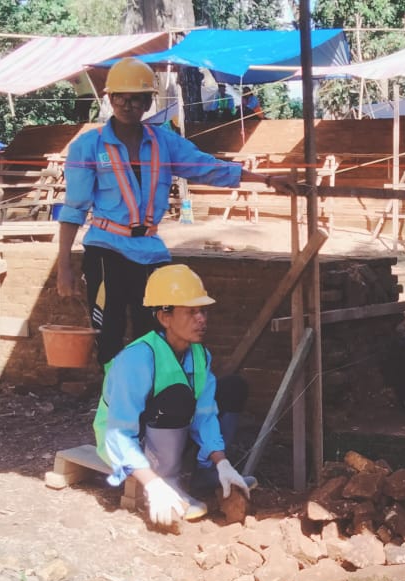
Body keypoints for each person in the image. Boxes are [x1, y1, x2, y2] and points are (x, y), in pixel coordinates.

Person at [55, 58, 291, 367]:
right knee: (108, 335)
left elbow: (207, 167)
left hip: (151, 254)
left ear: (149, 101)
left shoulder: (164, 143)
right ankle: (115, 406)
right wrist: (64, 266)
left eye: (136, 97)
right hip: (105, 252)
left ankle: (151, 406)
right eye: (120, 97)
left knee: (154, 334)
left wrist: (266, 179)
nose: (127, 104)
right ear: (109, 99)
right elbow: (74, 208)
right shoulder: (87, 147)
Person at [93, 264, 253, 531]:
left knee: (232, 388)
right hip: (124, 440)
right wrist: (153, 484)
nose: (201, 319)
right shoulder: (136, 359)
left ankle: (206, 475)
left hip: (170, 430)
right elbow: (118, 433)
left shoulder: (200, 355)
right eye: (191, 312)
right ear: (164, 317)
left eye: (203, 311)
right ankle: (165, 481)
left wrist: (221, 461)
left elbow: (205, 414)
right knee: (176, 396)